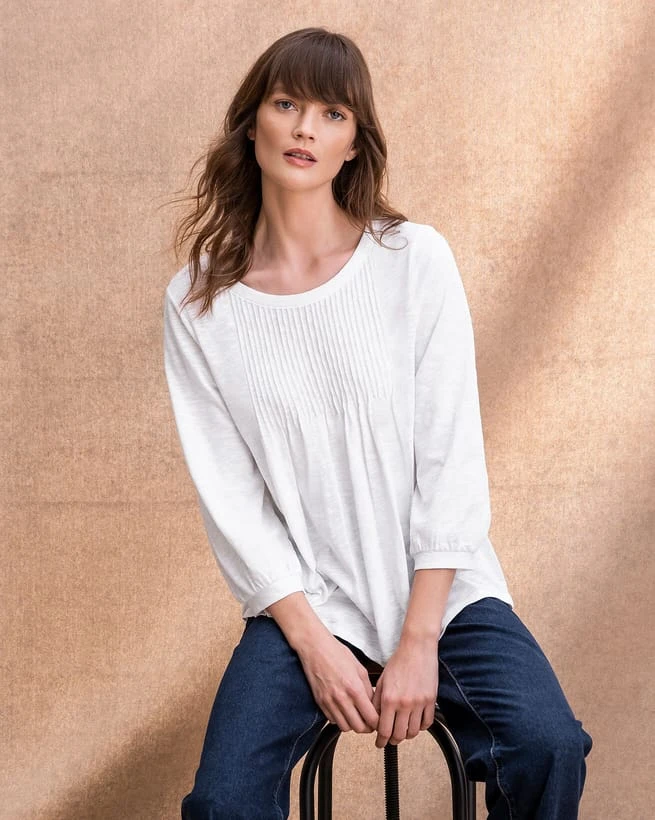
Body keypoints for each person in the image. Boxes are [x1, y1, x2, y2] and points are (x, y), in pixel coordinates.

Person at [163, 26, 593, 820]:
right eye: (286, 104)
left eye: (332, 114)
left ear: (354, 143)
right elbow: (232, 498)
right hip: (307, 602)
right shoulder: (199, 301)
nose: (304, 128)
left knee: (548, 745)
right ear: (251, 123)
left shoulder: (411, 261)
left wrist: (419, 640)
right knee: (222, 802)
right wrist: (310, 642)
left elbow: (450, 459)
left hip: (443, 595)